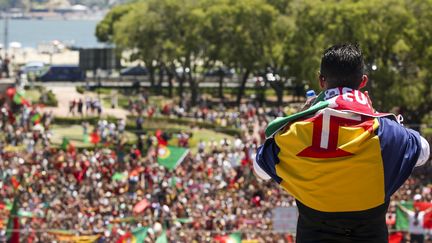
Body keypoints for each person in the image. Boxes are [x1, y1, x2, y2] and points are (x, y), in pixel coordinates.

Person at [254, 43, 430, 242]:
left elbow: (259, 169)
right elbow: (424, 151)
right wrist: (375, 115)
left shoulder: (293, 133)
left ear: (321, 81)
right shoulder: (385, 132)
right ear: (363, 81)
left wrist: (298, 117)